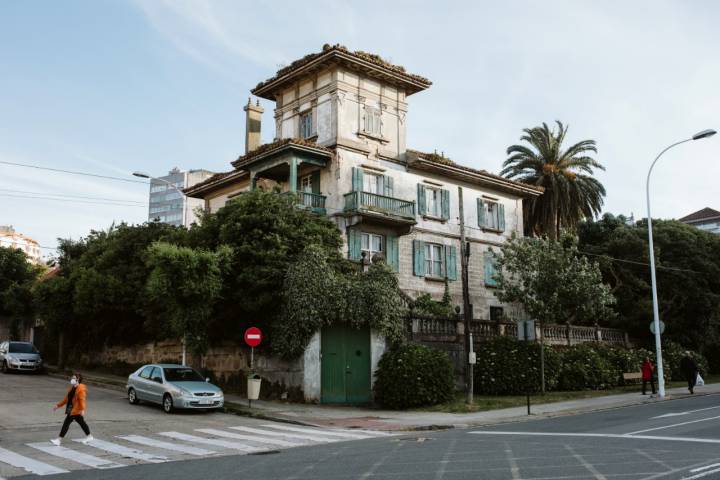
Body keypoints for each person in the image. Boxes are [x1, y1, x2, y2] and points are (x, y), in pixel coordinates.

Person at [51, 373, 93, 445]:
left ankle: (59, 440)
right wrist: (58, 405)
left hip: (75, 410)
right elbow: (66, 399)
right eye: (72, 378)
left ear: (78, 380)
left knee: (66, 423)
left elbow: (82, 400)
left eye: (74, 378)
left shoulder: (80, 390)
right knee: (82, 423)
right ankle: (89, 436)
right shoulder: (72, 388)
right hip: (71, 408)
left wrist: (82, 409)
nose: (72, 379)